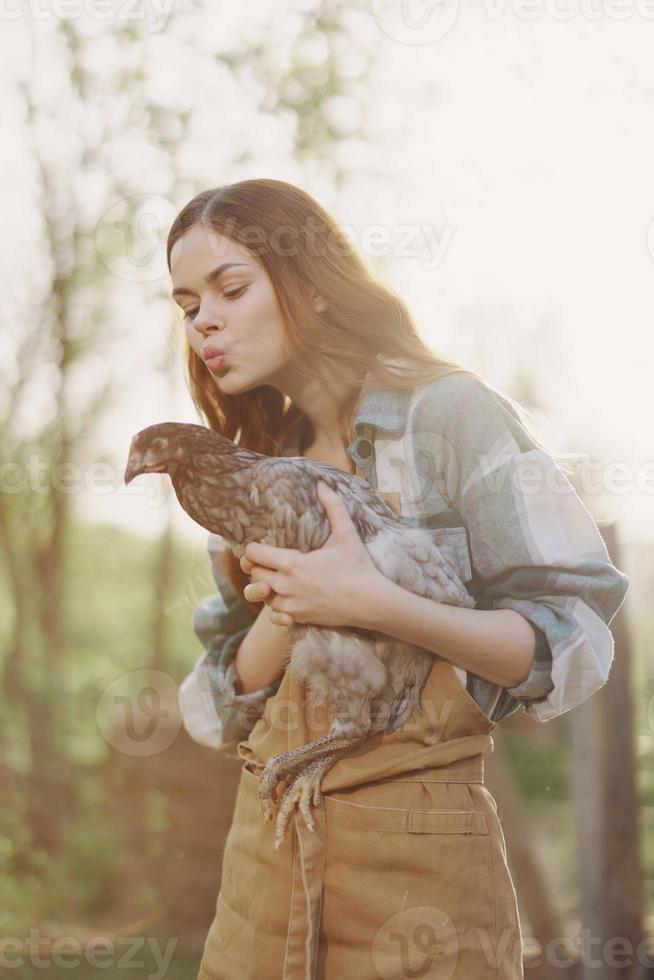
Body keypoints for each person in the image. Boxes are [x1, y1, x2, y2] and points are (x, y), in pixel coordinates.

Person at [168, 178, 629, 979]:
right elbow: (220, 704)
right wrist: (289, 607)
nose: (202, 318)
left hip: (421, 887)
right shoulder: (251, 461)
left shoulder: (449, 416)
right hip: (263, 867)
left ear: (310, 288)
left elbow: (577, 640)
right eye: (185, 304)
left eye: (229, 288)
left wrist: (378, 603)